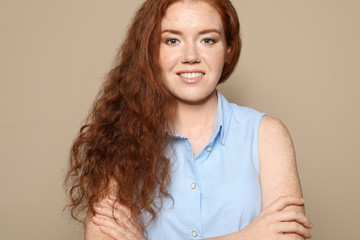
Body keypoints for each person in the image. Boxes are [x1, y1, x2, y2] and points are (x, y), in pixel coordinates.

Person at [65, 0, 312, 239]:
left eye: (208, 40)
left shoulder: (267, 135)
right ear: (150, 52)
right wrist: (248, 236)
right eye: (172, 40)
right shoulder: (118, 139)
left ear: (228, 49)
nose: (191, 56)